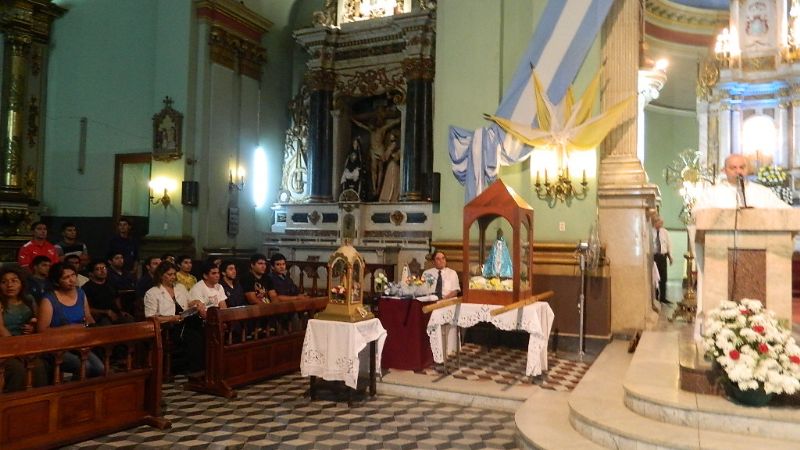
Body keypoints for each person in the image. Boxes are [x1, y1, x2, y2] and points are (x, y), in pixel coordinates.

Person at [37, 263, 104, 378]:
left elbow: (88, 316)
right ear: (57, 281)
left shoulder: (81, 293)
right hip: (56, 345)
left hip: (78, 342)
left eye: (73, 275)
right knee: (85, 367)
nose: (71, 280)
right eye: (66, 278)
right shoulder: (49, 299)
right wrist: (72, 328)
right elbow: (42, 330)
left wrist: (92, 331)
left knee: (99, 368)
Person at [143, 262, 205, 375]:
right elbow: (150, 317)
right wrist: (172, 318)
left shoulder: (180, 287)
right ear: (161, 275)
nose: (173, 277)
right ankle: (197, 370)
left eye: (174, 274)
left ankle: (206, 367)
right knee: (193, 334)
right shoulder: (152, 293)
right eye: (169, 274)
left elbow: (188, 302)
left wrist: (196, 303)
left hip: (185, 321)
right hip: (168, 327)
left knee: (202, 327)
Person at [0, 268, 49, 391]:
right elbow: (0, 328)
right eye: (4, 282)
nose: (9, 285)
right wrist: (18, 350)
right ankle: (12, 404)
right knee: (18, 369)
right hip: (5, 346)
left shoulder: (29, 299)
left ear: (21, 283)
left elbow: (37, 321)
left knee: (39, 366)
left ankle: (38, 402)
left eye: (14, 281)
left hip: (26, 344)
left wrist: (32, 327)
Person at [694, 154, 791, 210]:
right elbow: (697, 215)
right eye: (733, 168)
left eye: (742, 167)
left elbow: (785, 211)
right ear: (724, 170)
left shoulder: (762, 192)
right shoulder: (711, 193)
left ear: (748, 169)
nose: (738, 171)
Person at [352, 112, 401, 195]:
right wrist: (353, 120)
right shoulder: (370, 130)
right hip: (373, 151)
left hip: (380, 150)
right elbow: (361, 125)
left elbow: (391, 124)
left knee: (380, 169)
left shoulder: (382, 130)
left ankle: (378, 188)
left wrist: (399, 119)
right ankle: (374, 188)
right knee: (373, 170)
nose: (371, 126)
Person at [82, 259, 134, 326]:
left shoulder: (111, 284)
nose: (102, 271)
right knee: (106, 323)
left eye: (104, 268)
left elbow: (117, 298)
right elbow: (86, 309)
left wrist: (120, 311)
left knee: (130, 320)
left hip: (115, 314)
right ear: (91, 273)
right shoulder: (86, 288)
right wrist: (106, 312)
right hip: (99, 316)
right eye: (98, 269)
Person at [652, 217, 672, 304]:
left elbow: (668, 245)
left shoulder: (665, 232)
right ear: (655, 222)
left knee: (663, 278)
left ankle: (663, 297)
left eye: (662, 223)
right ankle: (655, 297)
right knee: (656, 277)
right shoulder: (651, 231)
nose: (661, 224)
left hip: (663, 256)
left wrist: (670, 257)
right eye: (659, 222)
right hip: (654, 257)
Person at [378, 131, 401, 202]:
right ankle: (388, 197)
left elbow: (395, 158)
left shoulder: (396, 147)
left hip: (394, 166)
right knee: (390, 182)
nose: (390, 137)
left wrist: (391, 154)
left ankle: (391, 198)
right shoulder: (390, 146)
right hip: (391, 166)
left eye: (392, 136)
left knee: (393, 182)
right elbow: (385, 157)